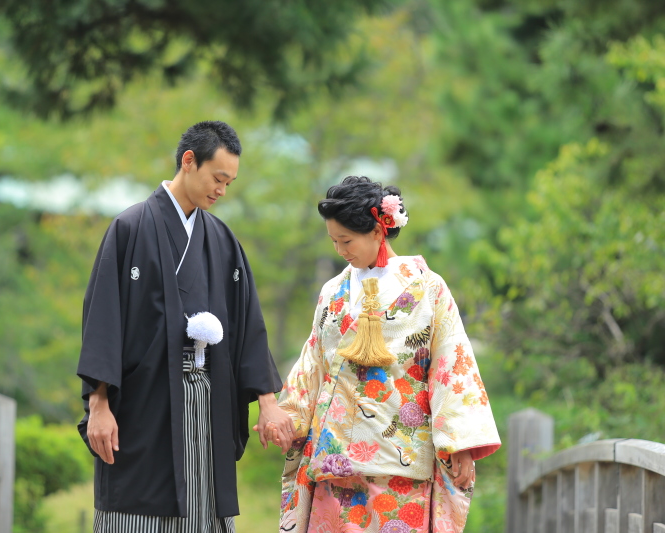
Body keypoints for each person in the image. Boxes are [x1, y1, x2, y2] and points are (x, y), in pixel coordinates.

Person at [76, 120, 295, 533]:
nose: (222, 191)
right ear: (189, 161)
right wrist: (98, 404)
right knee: (136, 511)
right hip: (143, 402)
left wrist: (268, 403)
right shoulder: (129, 228)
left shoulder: (223, 240)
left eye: (229, 183)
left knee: (203, 508)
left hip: (208, 400)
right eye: (217, 178)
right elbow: (102, 321)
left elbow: (248, 325)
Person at [274, 176, 501, 533]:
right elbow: (313, 362)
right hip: (332, 456)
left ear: (378, 231)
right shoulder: (333, 291)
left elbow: (451, 364)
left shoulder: (427, 288)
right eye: (334, 241)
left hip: (399, 456)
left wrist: (460, 444)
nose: (340, 250)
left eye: (346, 240)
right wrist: (286, 417)